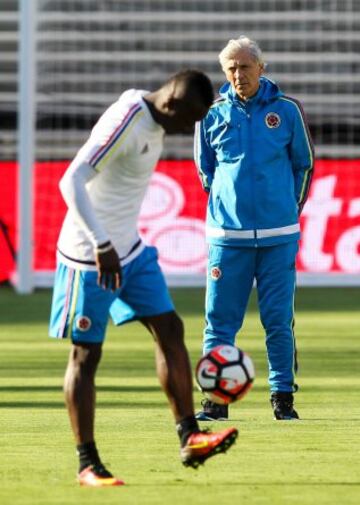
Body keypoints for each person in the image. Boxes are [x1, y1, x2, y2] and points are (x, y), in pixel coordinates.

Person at [49, 69, 238, 487]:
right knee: (86, 355)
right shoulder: (125, 121)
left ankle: (191, 437)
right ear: (170, 104)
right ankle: (87, 464)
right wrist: (100, 245)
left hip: (130, 250)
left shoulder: (157, 116)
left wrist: (115, 244)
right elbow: (71, 179)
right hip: (90, 255)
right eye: (188, 120)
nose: (189, 129)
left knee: (170, 328)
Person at [194, 37, 314, 421]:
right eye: (230, 68)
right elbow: (206, 171)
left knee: (278, 320)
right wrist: (228, 208)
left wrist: (286, 207)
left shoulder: (287, 111)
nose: (237, 74)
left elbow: (303, 164)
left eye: (245, 67)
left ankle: (283, 398)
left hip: (278, 236)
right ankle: (216, 401)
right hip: (228, 239)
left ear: (262, 68)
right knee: (219, 321)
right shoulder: (210, 114)